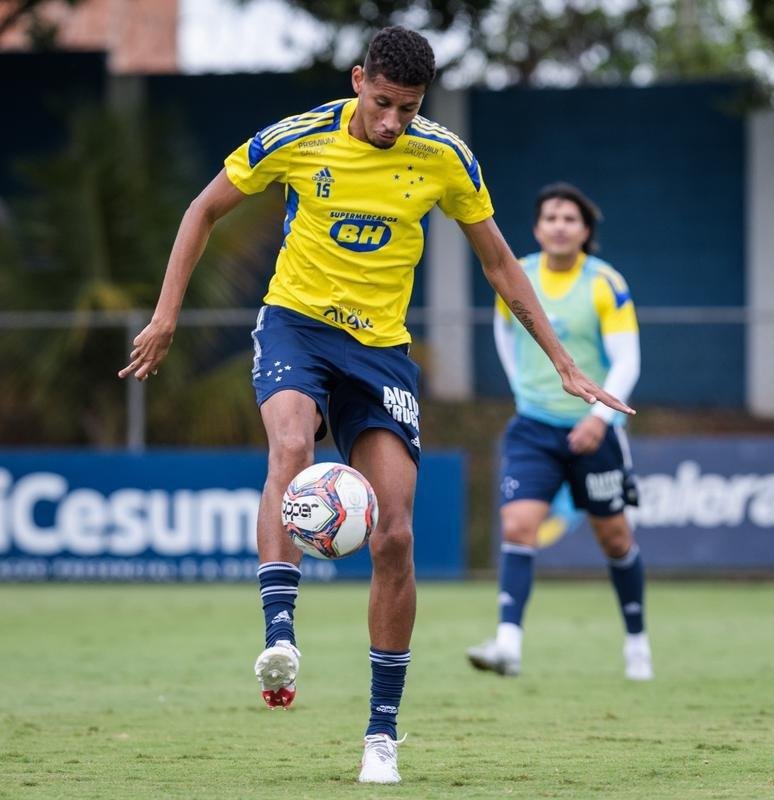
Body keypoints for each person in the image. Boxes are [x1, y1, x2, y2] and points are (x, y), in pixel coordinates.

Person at [118, 30, 633, 784]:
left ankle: (381, 736)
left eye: (409, 108)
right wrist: (166, 315)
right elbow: (204, 210)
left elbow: (497, 261)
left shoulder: (444, 157)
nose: (393, 122)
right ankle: (280, 632)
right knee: (291, 451)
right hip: (295, 325)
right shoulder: (298, 139)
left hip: (382, 354)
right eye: (384, 103)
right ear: (360, 81)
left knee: (394, 534)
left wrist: (564, 360)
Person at [466, 182, 653, 682]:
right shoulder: (517, 275)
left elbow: (627, 359)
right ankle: (508, 644)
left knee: (614, 539)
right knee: (517, 526)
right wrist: (523, 392)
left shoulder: (604, 283)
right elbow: (506, 335)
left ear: (585, 231)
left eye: (570, 218)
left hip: (594, 431)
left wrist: (600, 418)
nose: (559, 225)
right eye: (550, 217)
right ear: (536, 228)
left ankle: (637, 643)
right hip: (533, 427)